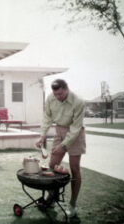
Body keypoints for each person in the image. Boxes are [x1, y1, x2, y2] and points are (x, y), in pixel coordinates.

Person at [36, 79, 86, 218]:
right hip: (59, 130)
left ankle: (72, 205)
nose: (58, 97)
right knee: (52, 165)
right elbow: (47, 118)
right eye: (55, 94)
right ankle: (52, 198)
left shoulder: (78, 101)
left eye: (60, 93)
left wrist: (64, 145)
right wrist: (42, 136)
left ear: (66, 88)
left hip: (76, 134)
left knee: (74, 168)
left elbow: (76, 128)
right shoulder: (51, 98)